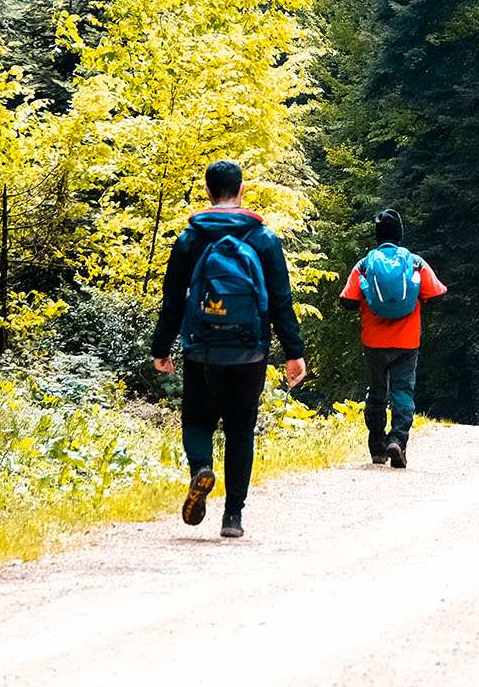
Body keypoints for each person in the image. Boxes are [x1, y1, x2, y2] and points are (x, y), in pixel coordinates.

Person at [151, 159, 308, 540]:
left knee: (196, 420)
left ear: (207, 192)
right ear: (241, 192)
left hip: (202, 348)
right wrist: (293, 352)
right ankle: (233, 517)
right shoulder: (263, 239)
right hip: (249, 350)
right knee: (240, 428)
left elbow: (173, 300)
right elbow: (280, 301)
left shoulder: (191, 238)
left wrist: (161, 347)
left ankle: (202, 468)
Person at [340, 207, 448, 469]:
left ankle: (377, 447)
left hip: (374, 341)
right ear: (399, 234)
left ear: (378, 235)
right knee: (403, 391)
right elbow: (437, 295)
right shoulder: (414, 262)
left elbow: (347, 300)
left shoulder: (365, 264)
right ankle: (397, 441)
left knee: (377, 391)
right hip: (407, 342)